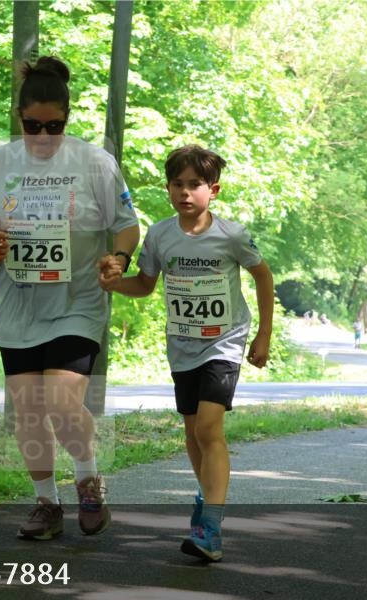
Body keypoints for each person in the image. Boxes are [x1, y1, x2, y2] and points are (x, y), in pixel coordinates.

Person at [0, 56, 140, 540]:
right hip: (19, 306)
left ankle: (87, 479)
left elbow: (126, 227)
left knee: (61, 402)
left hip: (77, 302)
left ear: (67, 117)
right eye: (33, 125)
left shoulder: (96, 163)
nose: (42, 135)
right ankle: (46, 505)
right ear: (19, 118)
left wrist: (117, 260)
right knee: (29, 412)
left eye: (53, 126)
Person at [100, 145, 274, 561]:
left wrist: (263, 335)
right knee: (193, 432)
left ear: (212, 190)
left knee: (209, 429)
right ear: (168, 188)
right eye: (177, 184)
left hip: (224, 342)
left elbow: (263, 277)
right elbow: (144, 284)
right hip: (182, 345)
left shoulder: (230, 234)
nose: (185, 192)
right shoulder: (160, 235)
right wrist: (112, 283)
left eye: (195, 184)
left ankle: (210, 528)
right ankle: (205, 496)